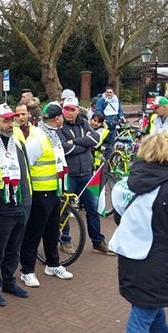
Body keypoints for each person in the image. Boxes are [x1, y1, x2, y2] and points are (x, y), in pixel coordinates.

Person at [108, 133, 168, 332]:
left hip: (131, 256)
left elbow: (119, 218)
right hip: (158, 261)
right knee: (143, 315)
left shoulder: (124, 184)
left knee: (150, 307)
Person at [0, 103, 32, 307]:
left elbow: (24, 172)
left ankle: (8, 281)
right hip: (0, 206)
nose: (11, 124)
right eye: (6, 120)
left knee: (14, 248)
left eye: (12, 120)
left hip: (19, 203)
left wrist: (27, 199)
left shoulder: (16, 142)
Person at [19, 102, 73, 289]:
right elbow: (25, 165)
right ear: (58, 118)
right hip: (40, 193)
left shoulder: (52, 136)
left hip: (53, 191)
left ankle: (53, 264)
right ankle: (27, 271)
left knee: (52, 230)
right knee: (33, 233)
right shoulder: (37, 139)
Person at [57, 97, 113, 255]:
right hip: (70, 174)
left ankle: (98, 241)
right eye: (66, 109)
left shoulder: (84, 123)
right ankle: (65, 240)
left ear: (77, 110)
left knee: (92, 209)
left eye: (72, 109)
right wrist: (85, 146)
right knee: (65, 209)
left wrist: (74, 141)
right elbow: (64, 148)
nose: (69, 112)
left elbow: (95, 138)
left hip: (87, 174)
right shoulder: (59, 126)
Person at [94, 85, 125, 158]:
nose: (109, 94)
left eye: (110, 92)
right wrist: (102, 120)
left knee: (111, 141)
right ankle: (102, 158)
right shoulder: (101, 100)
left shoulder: (116, 100)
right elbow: (98, 111)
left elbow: (119, 109)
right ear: (105, 92)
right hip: (105, 123)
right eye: (107, 92)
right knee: (104, 141)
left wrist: (121, 117)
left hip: (114, 123)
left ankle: (109, 158)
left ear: (113, 92)